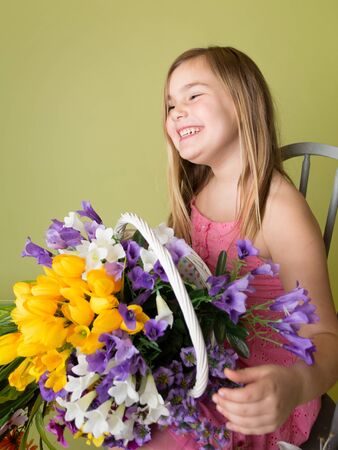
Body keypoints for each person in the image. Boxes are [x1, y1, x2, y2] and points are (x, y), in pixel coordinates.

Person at [139, 46, 338, 449]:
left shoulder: (277, 209)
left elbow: (327, 334)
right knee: (131, 422)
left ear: (242, 102)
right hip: (207, 372)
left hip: (261, 392)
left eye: (193, 95)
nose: (176, 112)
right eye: (170, 104)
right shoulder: (197, 193)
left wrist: (295, 384)